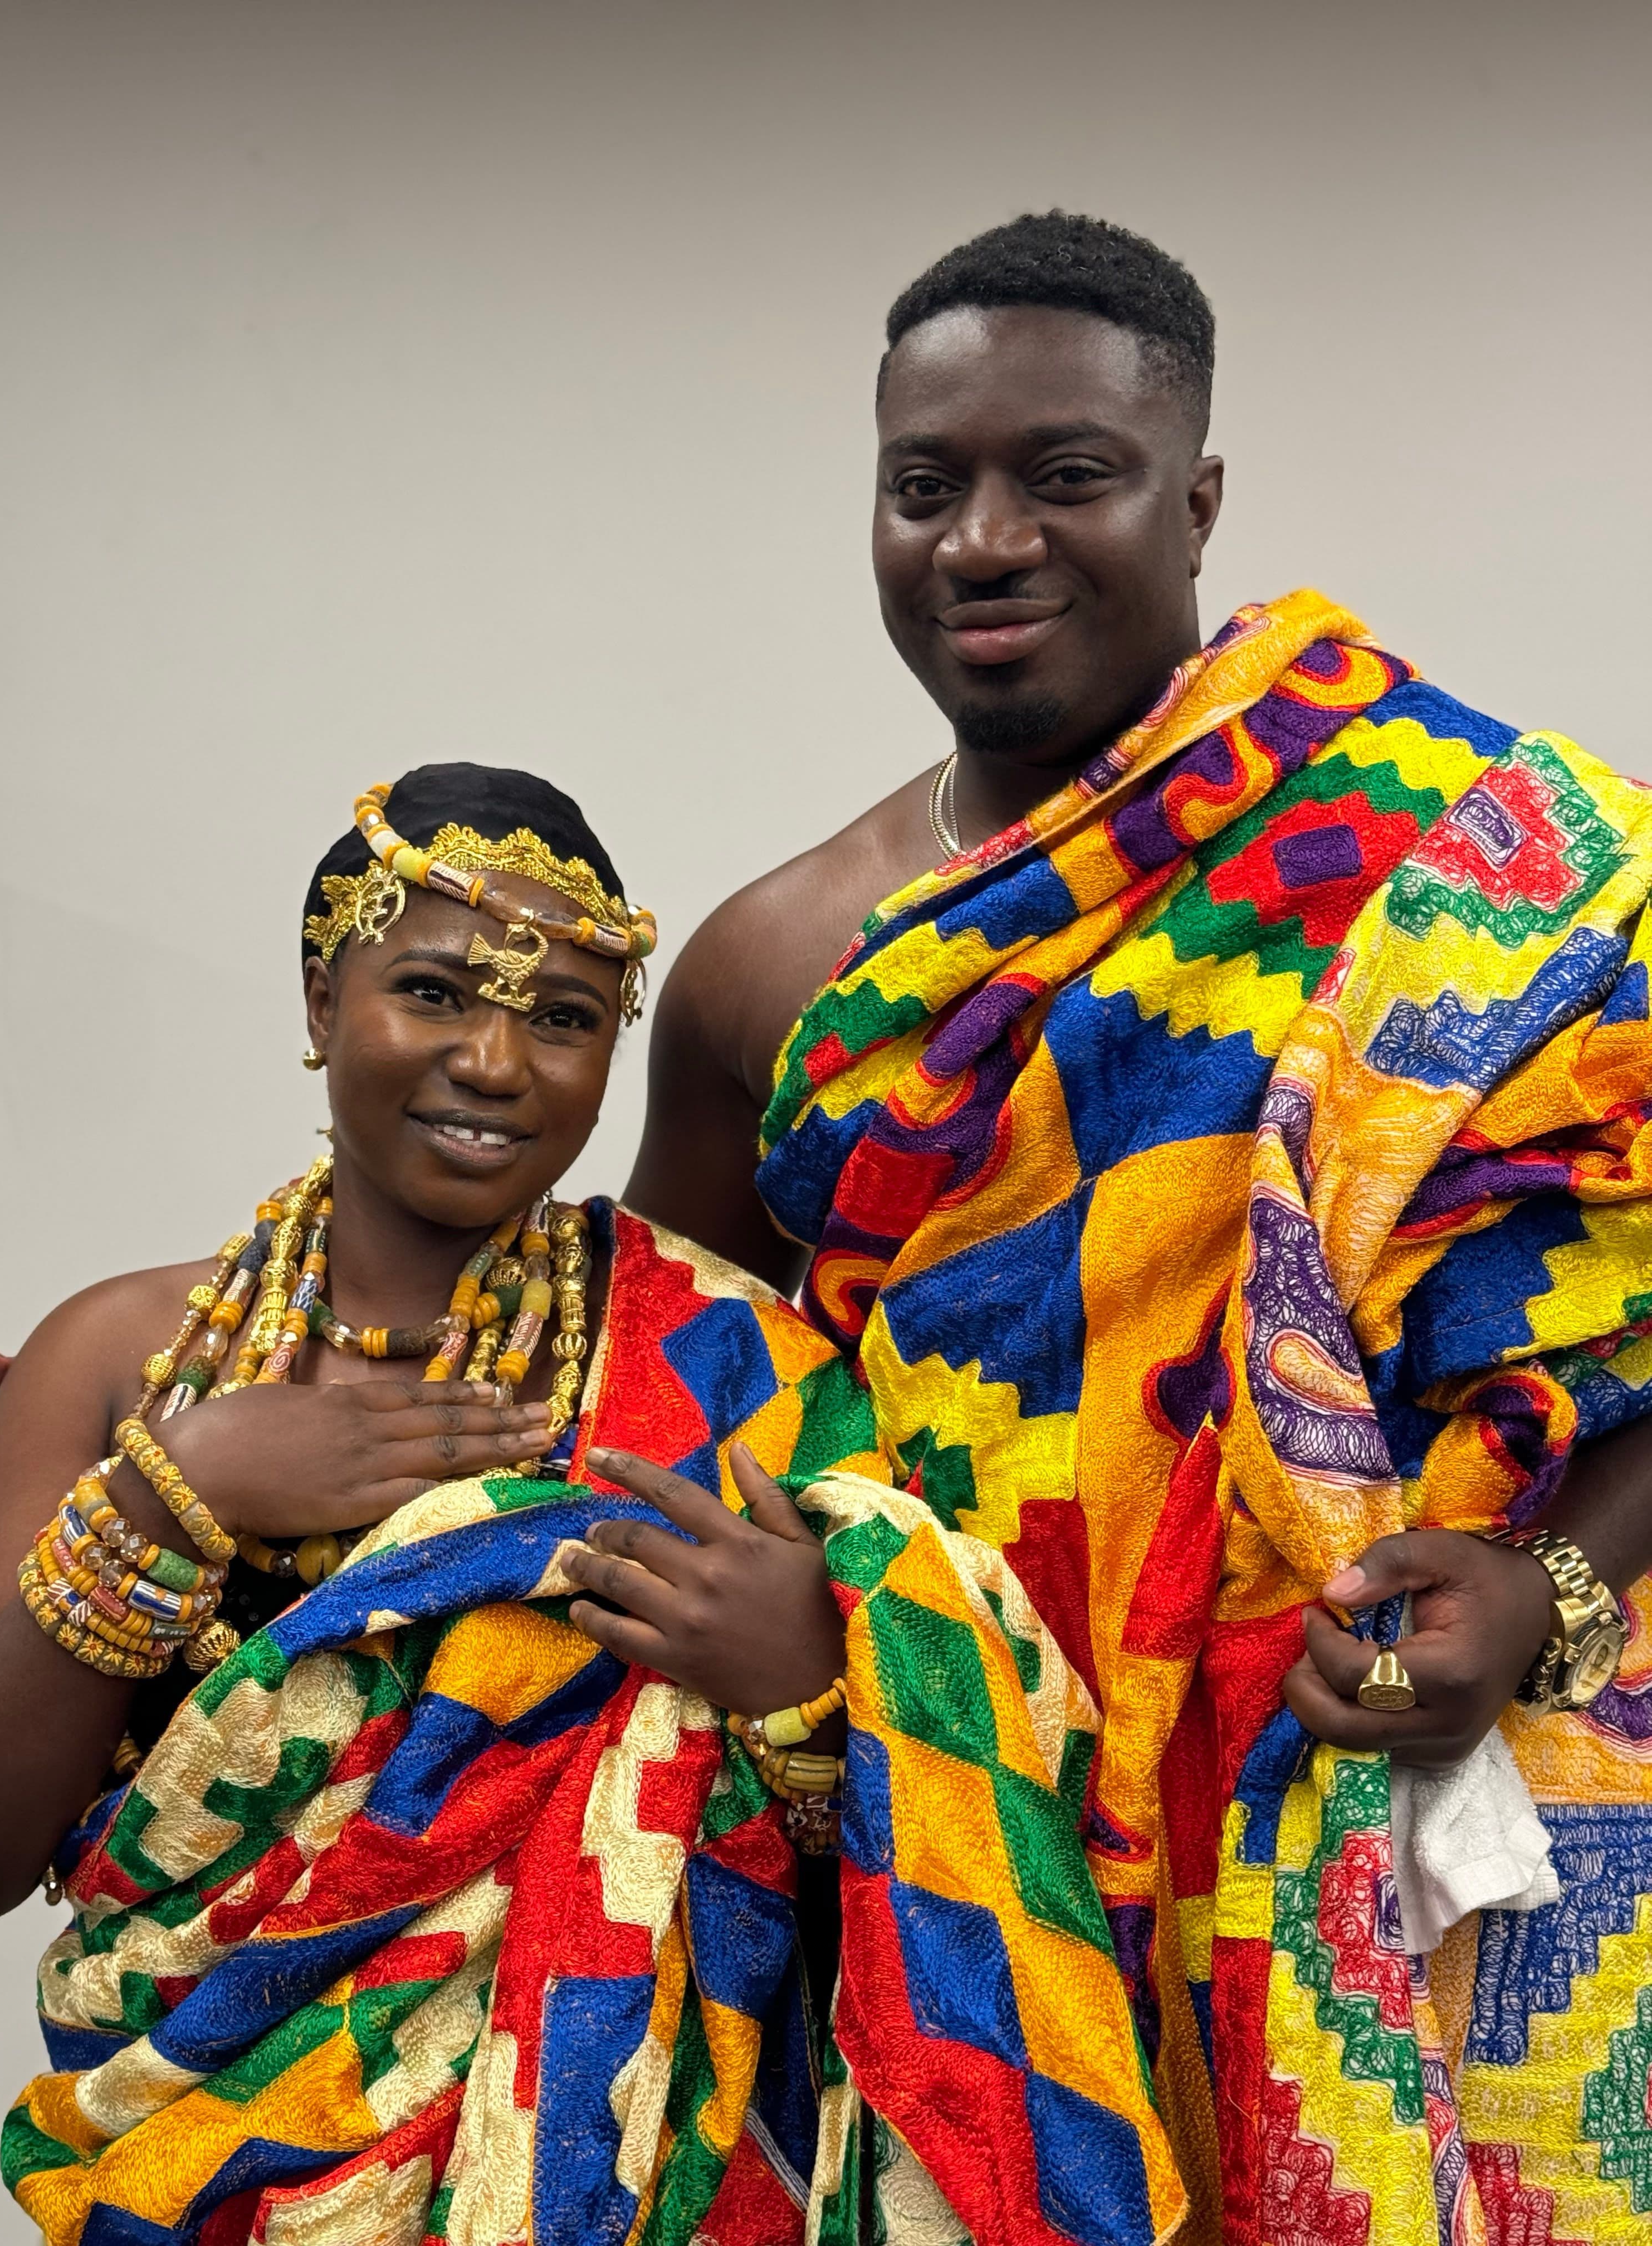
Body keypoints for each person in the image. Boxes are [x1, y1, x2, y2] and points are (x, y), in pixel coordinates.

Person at [624, 214, 1652, 2240]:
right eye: (926, 487)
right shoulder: (777, 966)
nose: (983, 539)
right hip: (966, 1838)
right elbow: (659, 1367)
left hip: (1394, 1794)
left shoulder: (1470, 857)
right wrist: (212, 1370)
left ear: (1195, 500)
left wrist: (1547, 1590)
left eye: (1064, 476)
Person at [0, 765, 1158, 2243]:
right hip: (187, 2165)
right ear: (316, 1000)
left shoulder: (728, 1367)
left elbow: (934, 1801)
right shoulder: (121, 1362)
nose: (495, 1060)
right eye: (433, 990)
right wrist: (180, 1493)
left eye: (564, 1018)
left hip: (635, 2177)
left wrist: (807, 1688)